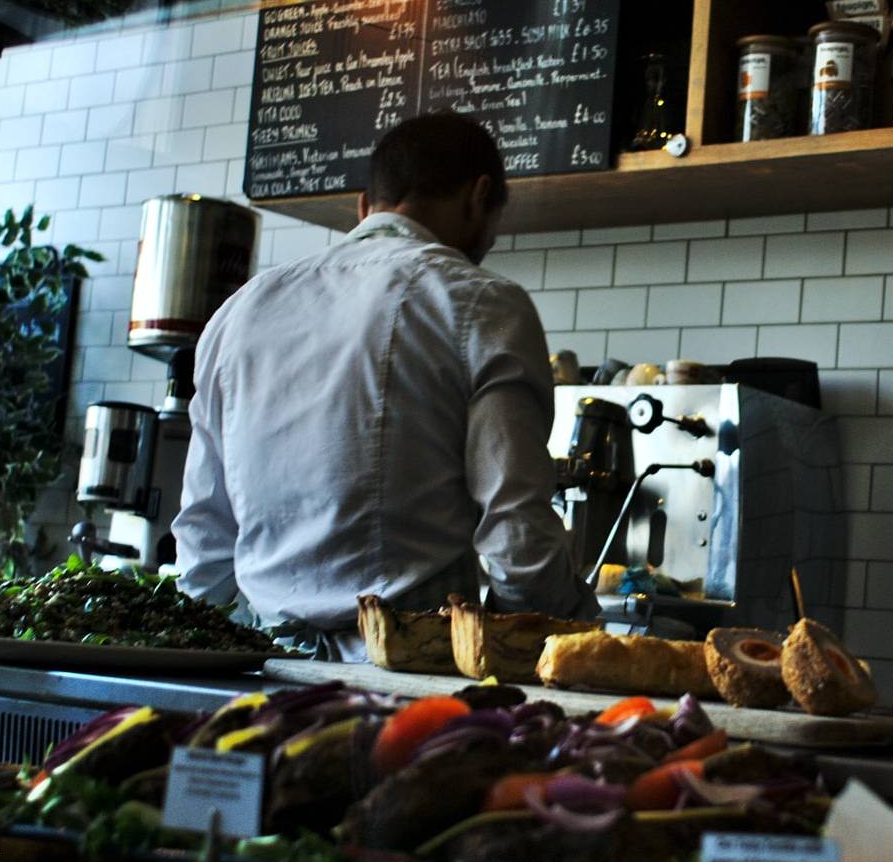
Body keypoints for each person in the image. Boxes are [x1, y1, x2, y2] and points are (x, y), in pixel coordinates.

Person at [174, 112, 594, 660]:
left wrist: (202, 659)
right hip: (411, 674)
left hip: (264, 666)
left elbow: (204, 532)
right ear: (478, 197)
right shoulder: (483, 304)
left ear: (363, 206)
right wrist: (559, 636)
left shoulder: (240, 312)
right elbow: (517, 533)